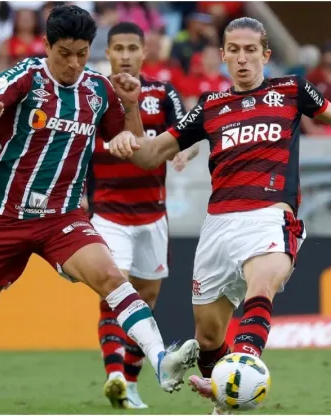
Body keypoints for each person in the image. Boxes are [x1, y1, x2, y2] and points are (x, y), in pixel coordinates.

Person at [106, 17, 331, 415]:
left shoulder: (291, 90)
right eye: (234, 50)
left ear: (265, 54)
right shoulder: (210, 107)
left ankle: (244, 365)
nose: (242, 59)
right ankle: (226, 397)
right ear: (223, 54)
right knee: (208, 338)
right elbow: (149, 156)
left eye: (250, 50)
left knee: (262, 284)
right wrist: (132, 107)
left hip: (270, 215)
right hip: (219, 225)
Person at [0, 6, 199, 415]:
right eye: (65, 54)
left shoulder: (98, 89)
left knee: (110, 275)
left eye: (81, 53)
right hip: (4, 217)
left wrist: (129, 107)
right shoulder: (25, 76)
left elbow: (134, 146)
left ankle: (161, 361)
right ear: (47, 46)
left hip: (63, 217)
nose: (74, 63)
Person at [84, 22, 199, 410]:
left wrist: (184, 151)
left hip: (152, 216)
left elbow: (190, 135)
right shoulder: (93, 92)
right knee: (115, 288)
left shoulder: (163, 93)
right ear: (109, 53)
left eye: (133, 48)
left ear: (144, 53)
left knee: (145, 299)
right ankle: (114, 372)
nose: (126, 56)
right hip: (109, 212)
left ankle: (129, 385)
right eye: (119, 48)